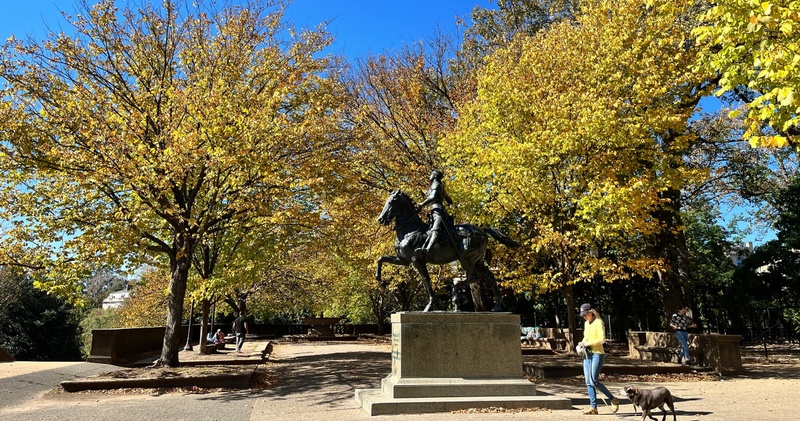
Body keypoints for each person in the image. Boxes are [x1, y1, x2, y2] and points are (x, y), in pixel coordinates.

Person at [577, 303, 619, 415]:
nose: (584, 317)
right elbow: (586, 337)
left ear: (591, 312)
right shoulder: (586, 323)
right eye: (583, 315)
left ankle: (612, 399)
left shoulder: (599, 322)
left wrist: (588, 343)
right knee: (588, 382)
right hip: (587, 354)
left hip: (597, 354)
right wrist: (582, 343)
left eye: (586, 314)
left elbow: (601, 339)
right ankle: (593, 407)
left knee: (594, 381)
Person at [414, 169, 453, 255]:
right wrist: (450, 202)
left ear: (435, 175)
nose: (430, 176)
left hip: (438, 211)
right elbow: (447, 198)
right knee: (430, 230)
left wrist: (422, 204)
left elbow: (432, 197)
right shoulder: (438, 185)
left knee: (435, 230)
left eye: (431, 174)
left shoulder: (436, 184)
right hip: (434, 210)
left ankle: (428, 249)